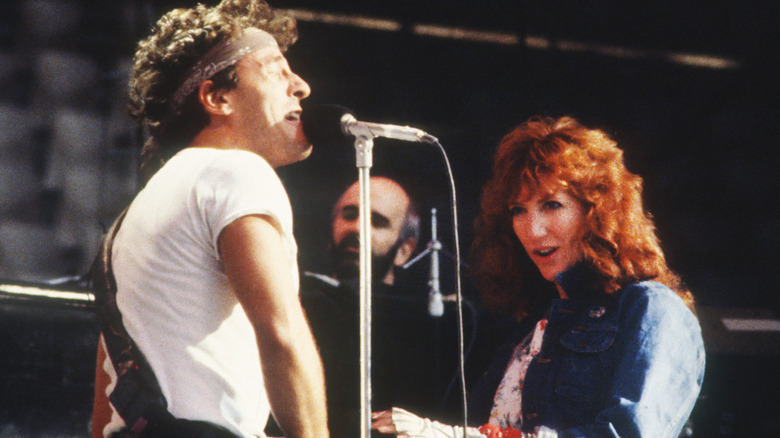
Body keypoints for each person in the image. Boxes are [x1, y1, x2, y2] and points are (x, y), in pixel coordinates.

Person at [372, 116, 705, 437]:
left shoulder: (652, 309)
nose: (533, 229)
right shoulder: (531, 327)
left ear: (597, 210)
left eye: (552, 205)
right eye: (519, 210)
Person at [90, 1, 328, 437]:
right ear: (217, 98)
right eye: (277, 70)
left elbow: (104, 405)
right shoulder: (235, 170)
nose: (301, 86)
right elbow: (281, 334)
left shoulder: (133, 216)